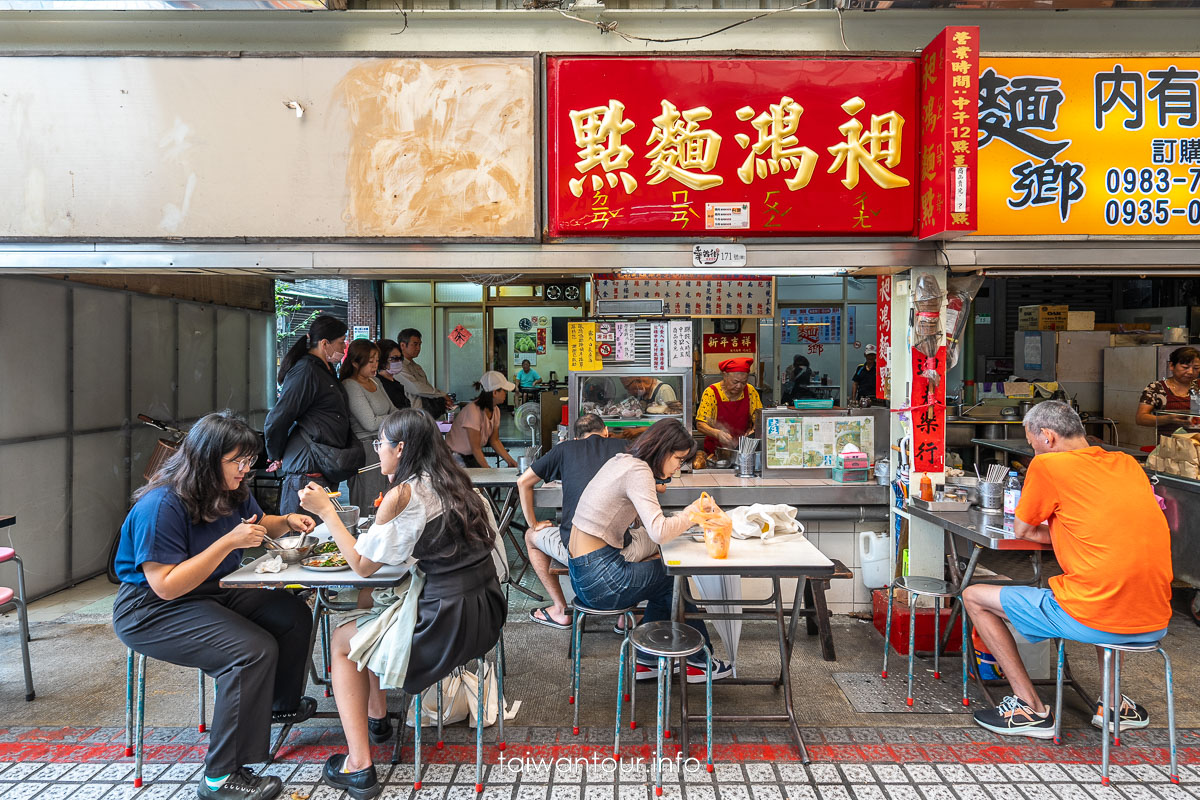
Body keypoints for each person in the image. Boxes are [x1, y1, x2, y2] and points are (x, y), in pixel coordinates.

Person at [300, 410, 505, 800]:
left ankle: (359, 765)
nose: (377, 450)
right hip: (485, 612)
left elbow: (362, 564)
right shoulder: (456, 481)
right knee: (368, 606)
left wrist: (327, 510)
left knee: (343, 641)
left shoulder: (404, 493)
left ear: (401, 448)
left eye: (380, 443)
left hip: (446, 623)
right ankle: (377, 718)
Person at [112, 411, 318, 800]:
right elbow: (166, 585)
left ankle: (276, 705)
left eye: (248, 461)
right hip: (152, 608)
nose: (245, 470)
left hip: (209, 590)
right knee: (250, 652)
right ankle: (220, 777)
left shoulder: (230, 489)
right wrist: (226, 544)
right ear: (207, 460)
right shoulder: (161, 505)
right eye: (237, 462)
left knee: (290, 614)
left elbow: (257, 523)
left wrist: (288, 520)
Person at [962, 401, 1173, 739]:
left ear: (1047, 436)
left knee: (974, 596)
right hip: (1154, 620)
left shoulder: (1049, 466)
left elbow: (1023, 531)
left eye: (1032, 443)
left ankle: (1030, 707)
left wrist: (1063, 531)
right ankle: (1114, 705)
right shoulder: (1126, 463)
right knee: (1105, 583)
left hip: (1095, 616)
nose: (1034, 451)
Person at [569, 418, 733, 682]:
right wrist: (691, 513)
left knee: (662, 576)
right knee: (672, 576)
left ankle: (648, 661)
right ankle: (699, 661)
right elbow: (658, 531)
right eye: (679, 459)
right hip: (602, 580)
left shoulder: (621, 461)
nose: (679, 466)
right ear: (664, 450)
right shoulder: (638, 471)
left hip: (582, 575)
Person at [517, 413, 628, 629]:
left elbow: (523, 482)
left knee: (530, 537)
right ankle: (628, 614)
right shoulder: (624, 446)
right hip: (620, 548)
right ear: (605, 432)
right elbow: (656, 483)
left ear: (576, 438)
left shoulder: (565, 449)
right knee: (653, 540)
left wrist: (533, 523)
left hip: (578, 552)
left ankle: (560, 609)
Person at [264, 315, 360, 517]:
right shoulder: (305, 371)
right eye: (341, 342)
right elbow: (278, 418)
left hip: (325, 463)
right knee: (303, 536)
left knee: (324, 535)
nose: (344, 349)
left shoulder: (325, 369)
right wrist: (276, 454)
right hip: (306, 467)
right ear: (324, 343)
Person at [341, 339, 396, 512]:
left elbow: (394, 410)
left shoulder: (376, 382)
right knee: (370, 502)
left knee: (387, 498)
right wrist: (391, 417)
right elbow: (370, 422)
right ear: (356, 362)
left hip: (385, 445)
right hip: (366, 451)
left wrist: (388, 417)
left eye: (377, 360)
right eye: (370, 361)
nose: (375, 365)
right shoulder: (350, 385)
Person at [445, 370, 519, 469]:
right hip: (453, 457)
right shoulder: (473, 411)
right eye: (504, 391)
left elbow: (495, 440)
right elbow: (475, 448)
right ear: (495, 392)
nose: (506, 394)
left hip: (471, 455)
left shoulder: (495, 410)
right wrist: (487, 470)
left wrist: (511, 461)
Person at [695, 357, 763, 454]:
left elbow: (759, 420)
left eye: (743, 382)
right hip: (716, 452)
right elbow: (700, 425)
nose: (739, 386)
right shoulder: (711, 392)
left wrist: (753, 431)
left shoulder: (750, 391)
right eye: (735, 382)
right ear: (725, 376)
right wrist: (717, 433)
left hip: (744, 450)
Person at [1136, 346, 1200, 435]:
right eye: (1185, 367)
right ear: (1171, 366)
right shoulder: (1156, 388)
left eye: (1196, 368)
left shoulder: (1198, 386)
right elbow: (1140, 418)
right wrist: (1168, 419)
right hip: (1169, 443)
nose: (1190, 372)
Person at [392, 329, 454, 418]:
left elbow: (427, 388)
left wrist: (441, 399)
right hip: (410, 415)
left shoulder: (417, 367)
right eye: (415, 344)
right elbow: (416, 388)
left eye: (420, 344)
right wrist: (442, 394)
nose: (418, 348)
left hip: (424, 414)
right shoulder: (399, 367)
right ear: (402, 345)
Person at [374, 338, 411, 412]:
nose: (399, 362)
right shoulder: (378, 384)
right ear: (382, 360)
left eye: (400, 358)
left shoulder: (395, 382)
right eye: (394, 358)